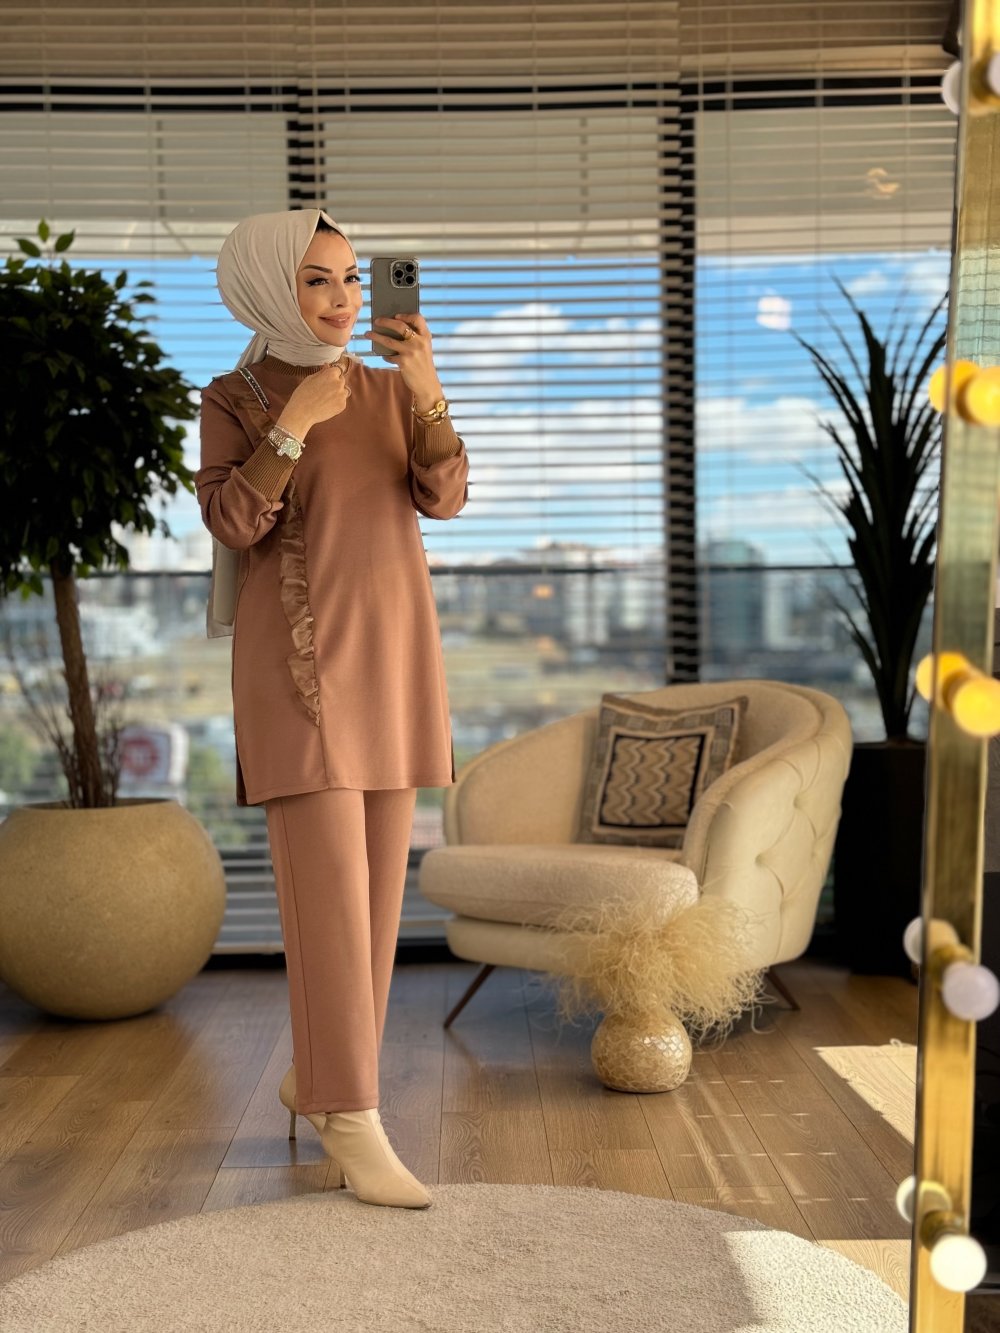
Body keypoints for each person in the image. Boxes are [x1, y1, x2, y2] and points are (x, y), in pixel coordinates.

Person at [195, 208, 469, 1210]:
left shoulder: (392, 389)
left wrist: (426, 387)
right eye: (318, 279)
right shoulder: (232, 398)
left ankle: (322, 1079)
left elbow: (445, 497)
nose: (346, 298)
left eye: (353, 277)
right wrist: (294, 422)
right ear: (269, 288)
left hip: (394, 659)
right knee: (327, 905)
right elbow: (232, 520)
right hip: (300, 670)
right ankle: (350, 1112)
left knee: (376, 905)